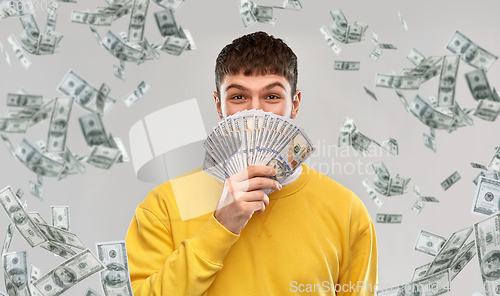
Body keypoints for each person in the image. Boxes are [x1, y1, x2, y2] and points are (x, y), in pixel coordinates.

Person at [126, 31, 378, 295]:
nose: (254, 111)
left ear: (295, 104)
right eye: (238, 97)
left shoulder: (348, 212)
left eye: (271, 97)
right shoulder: (165, 205)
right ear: (218, 105)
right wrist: (221, 226)